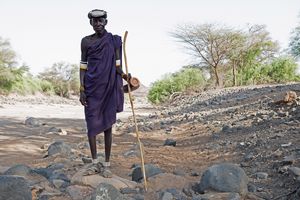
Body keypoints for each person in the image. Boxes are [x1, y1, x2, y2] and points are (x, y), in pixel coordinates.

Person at [79, 9, 130, 177]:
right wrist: (81, 89)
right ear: (91, 23)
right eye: (95, 21)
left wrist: (125, 76)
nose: (98, 24)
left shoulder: (114, 41)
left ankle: (107, 164)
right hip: (92, 89)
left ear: (106, 22)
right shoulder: (86, 42)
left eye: (101, 21)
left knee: (108, 126)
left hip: (108, 88)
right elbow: (82, 67)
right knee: (91, 126)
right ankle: (94, 163)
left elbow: (116, 66)